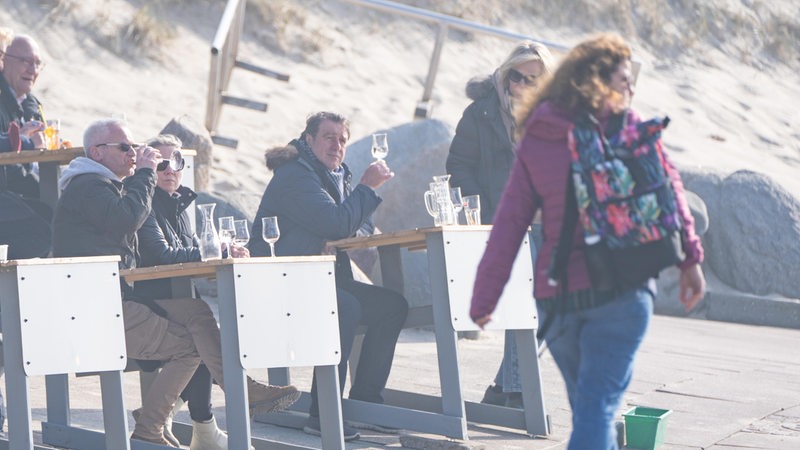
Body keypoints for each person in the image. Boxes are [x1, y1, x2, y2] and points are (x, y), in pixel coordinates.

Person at [469, 33, 706, 449]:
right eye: (623, 80)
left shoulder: (538, 136)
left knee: (590, 411)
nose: (631, 88)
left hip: (560, 302)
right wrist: (691, 261)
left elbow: (509, 225)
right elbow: (671, 194)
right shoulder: (628, 129)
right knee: (597, 410)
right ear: (594, 81)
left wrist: (484, 298)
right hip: (622, 292)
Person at [52, 118, 300, 447]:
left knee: (196, 311)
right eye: (125, 147)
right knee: (188, 345)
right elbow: (132, 224)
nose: (133, 153)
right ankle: (150, 427)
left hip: (112, 300)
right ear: (97, 152)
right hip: (94, 309)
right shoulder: (89, 186)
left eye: (134, 147)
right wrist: (144, 173)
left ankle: (243, 391)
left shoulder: (102, 186)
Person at [248, 111, 409, 441]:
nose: (337, 145)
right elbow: (338, 223)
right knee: (344, 307)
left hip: (319, 279)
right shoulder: (295, 174)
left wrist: (343, 215)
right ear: (309, 140)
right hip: (280, 285)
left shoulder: (334, 175)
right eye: (329, 137)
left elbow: (350, 223)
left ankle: (365, 402)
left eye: (343, 139)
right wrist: (364, 188)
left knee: (392, 306)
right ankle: (322, 414)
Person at [446, 40, 554, 409]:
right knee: (528, 303)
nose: (522, 86)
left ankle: (504, 387)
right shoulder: (482, 114)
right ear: (505, 76)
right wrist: (485, 209)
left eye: (532, 80)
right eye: (516, 77)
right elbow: (458, 166)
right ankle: (513, 392)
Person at [132, 134, 250, 449]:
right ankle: (223, 408)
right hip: (148, 304)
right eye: (162, 163)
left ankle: (188, 420)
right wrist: (211, 251)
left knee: (204, 326)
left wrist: (217, 250)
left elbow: (185, 249)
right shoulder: (144, 201)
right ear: (148, 166)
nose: (171, 170)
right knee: (200, 334)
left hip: (177, 299)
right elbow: (162, 254)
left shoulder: (179, 204)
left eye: (178, 162)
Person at [0, 34, 47, 198]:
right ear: (3, 60)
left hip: (30, 185)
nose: (33, 70)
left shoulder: (32, 104)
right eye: (25, 61)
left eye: (38, 63)